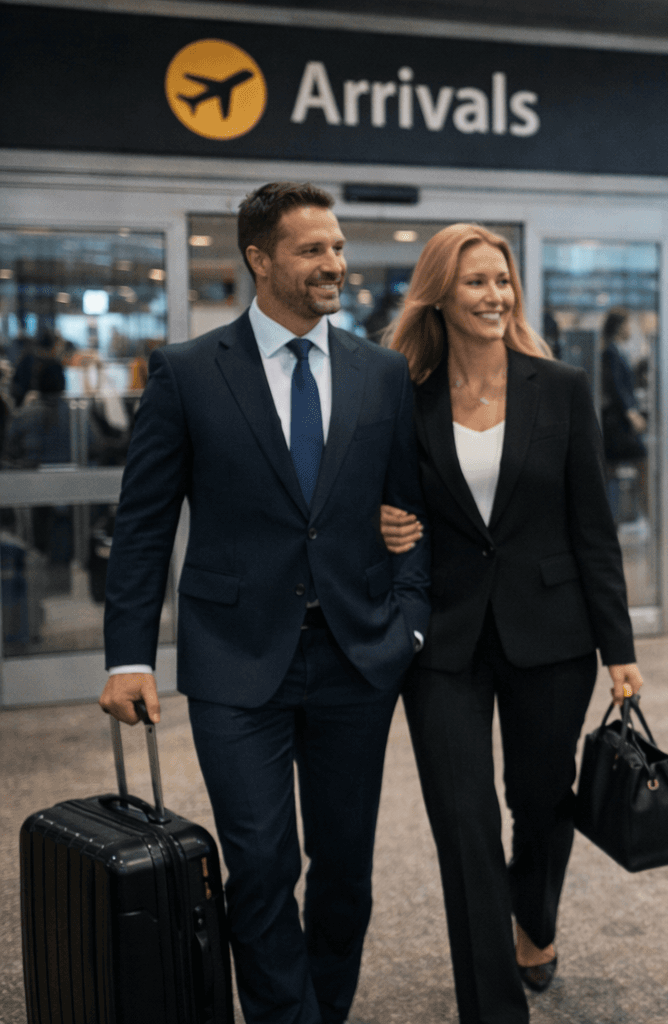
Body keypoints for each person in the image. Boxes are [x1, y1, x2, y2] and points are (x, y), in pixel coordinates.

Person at [99, 181, 431, 1024]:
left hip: (358, 658)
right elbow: (142, 525)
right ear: (260, 259)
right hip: (234, 659)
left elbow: (410, 516)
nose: (335, 264)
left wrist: (410, 622)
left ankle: (327, 1005)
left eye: (339, 247)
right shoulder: (186, 373)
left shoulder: (382, 373)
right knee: (258, 861)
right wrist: (129, 654)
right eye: (313, 249)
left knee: (346, 867)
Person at [376, 223, 644, 1024]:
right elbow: (379, 498)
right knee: (463, 822)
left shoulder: (558, 387)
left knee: (541, 801)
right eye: (476, 283)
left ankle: (536, 918)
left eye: (503, 281)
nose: (495, 296)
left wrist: (619, 647)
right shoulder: (402, 395)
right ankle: (493, 1009)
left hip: (552, 633)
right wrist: (381, 525)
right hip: (443, 641)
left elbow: (594, 526)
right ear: (440, 296)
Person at [598, 308, 647, 516]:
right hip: (617, 424)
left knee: (611, 472)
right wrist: (631, 413)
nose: (630, 330)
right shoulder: (610, 352)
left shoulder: (616, 351)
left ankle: (616, 518)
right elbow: (616, 386)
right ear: (619, 327)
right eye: (628, 325)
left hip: (618, 422)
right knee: (641, 461)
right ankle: (646, 515)